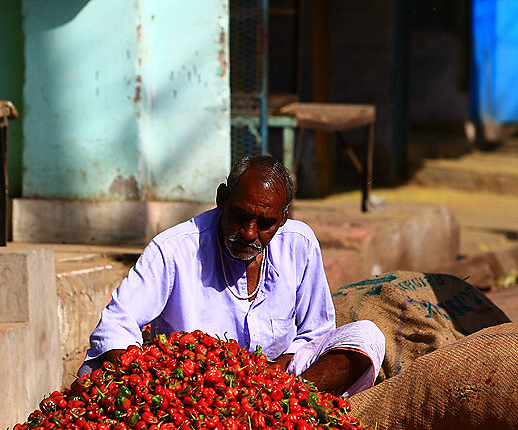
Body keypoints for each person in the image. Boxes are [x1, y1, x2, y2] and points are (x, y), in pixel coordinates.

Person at [79, 155, 385, 397]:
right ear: (222, 199)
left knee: (366, 337)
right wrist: (153, 377)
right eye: (240, 216)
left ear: (283, 217)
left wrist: (275, 375)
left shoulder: (299, 243)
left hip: (281, 385)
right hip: (192, 387)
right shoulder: (173, 249)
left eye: (265, 223)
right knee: (97, 370)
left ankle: (285, 410)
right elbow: (116, 324)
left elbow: (316, 332)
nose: (250, 233)